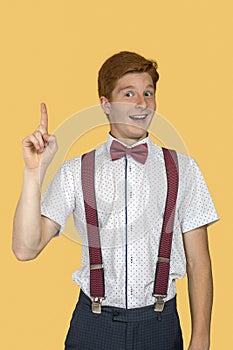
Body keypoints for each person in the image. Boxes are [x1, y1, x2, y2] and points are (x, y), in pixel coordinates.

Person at [12, 51, 219, 350]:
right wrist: (35, 171)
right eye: (128, 93)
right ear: (105, 104)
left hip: (160, 327)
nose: (141, 103)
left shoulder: (183, 169)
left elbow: (199, 261)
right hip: (93, 326)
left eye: (148, 93)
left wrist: (202, 336)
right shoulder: (75, 171)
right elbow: (24, 248)